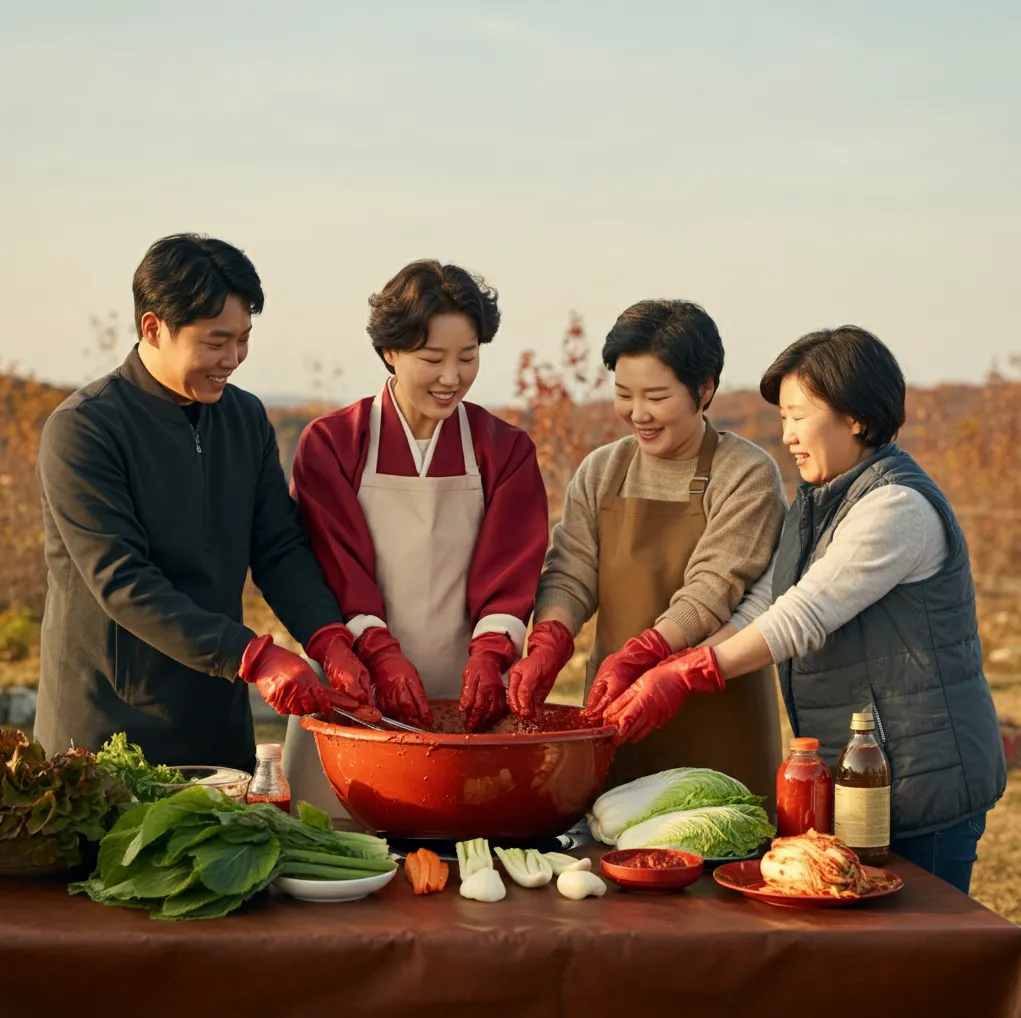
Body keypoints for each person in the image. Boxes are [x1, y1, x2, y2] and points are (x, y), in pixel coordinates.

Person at [604, 326, 1007, 892]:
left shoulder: (896, 506)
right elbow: (765, 603)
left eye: (799, 416)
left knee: (918, 957)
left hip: (923, 778)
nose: (787, 435)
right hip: (867, 776)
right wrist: (661, 657)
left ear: (857, 418)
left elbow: (803, 617)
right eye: (783, 418)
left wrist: (688, 676)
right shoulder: (818, 502)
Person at [34, 234, 371, 772]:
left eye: (244, 339)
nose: (233, 359)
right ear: (153, 328)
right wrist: (253, 655)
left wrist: (327, 637)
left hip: (216, 720)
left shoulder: (245, 418)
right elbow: (123, 581)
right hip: (107, 731)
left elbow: (279, 547)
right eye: (217, 342)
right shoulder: (84, 429)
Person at [283, 260, 549, 813]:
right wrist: (376, 652)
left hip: (468, 695)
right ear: (390, 352)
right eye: (432, 359)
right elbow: (336, 565)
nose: (451, 376)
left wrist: (491, 654)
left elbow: (513, 567)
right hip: (356, 687)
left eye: (468, 356)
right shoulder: (333, 443)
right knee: (337, 839)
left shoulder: (505, 450)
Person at [509, 299, 787, 800]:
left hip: (715, 718)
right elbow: (570, 570)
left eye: (656, 396)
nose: (638, 414)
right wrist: (550, 637)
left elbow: (712, 588)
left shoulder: (746, 473)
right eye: (623, 394)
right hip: (614, 712)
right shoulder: (602, 470)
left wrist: (647, 653)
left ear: (705, 389)